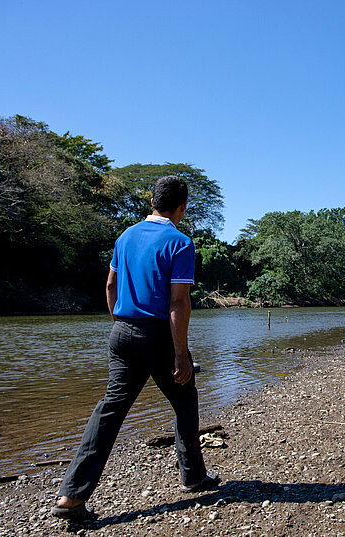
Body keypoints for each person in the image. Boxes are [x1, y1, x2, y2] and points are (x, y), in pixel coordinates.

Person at [52, 175, 219, 521]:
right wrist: (180, 355)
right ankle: (193, 476)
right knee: (185, 399)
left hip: (122, 332)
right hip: (157, 335)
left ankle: (71, 495)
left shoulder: (125, 236)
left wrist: (120, 324)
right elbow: (178, 302)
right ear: (182, 207)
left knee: (110, 410)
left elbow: (111, 284)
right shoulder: (180, 242)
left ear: (153, 201)